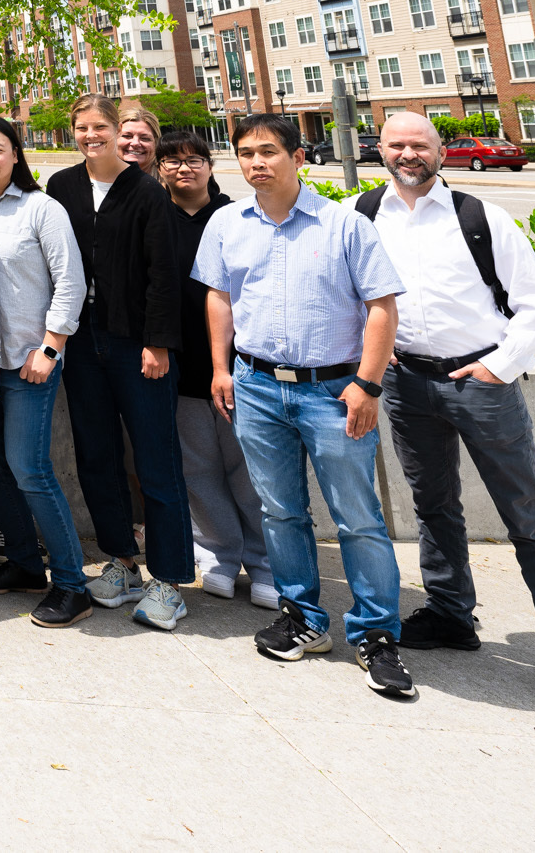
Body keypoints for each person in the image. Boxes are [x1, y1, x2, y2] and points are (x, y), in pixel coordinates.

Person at [364, 112, 535, 720]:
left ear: (440, 151)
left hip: (481, 381)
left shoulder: (480, 217)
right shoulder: (364, 215)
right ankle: (450, 613)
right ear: (381, 150)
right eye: (397, 145)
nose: (408, 154)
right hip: (406, 382)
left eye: (419, 144)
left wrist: (498, 368)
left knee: (527, 517)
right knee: (433, 503)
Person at [196, 113, 415, 700]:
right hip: (258, 387)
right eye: (245, 153)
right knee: (281, 512)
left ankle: (375, 636)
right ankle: (304, 619)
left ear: (299, 157)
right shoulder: (226, 223)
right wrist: (221, 369)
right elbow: (220, 299)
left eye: (269, 151)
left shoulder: (344, 224)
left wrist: (367, 386)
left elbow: (381, 307)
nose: (256, 163)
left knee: (358, 517)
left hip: (333, 392)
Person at [43, 92, 194, 632]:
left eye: (99, 127)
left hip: (138, 347)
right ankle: (121, 561)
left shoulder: (148, 192)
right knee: (96, 456)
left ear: (116, 129)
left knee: (156, 461)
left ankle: (170, 581)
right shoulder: (61, 188)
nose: (91, 136)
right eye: (81, 128)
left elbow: (163, 276)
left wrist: (158, 344)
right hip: (83, 344)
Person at [0, 114, 95, 630]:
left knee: (29, 469)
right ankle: (22, 563)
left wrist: (52, 346)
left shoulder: (41, 209)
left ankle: (71, 584)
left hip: (29, 362)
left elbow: (70, 282)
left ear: (16, 155)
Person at [154, 132, 267, 608]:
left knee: (250, 471)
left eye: (194, 160)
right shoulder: (155, 217)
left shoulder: (236, 217)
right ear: (160, 169)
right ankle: (219, 554)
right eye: (173, 162)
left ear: (210, 164)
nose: (184, 169)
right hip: (180, 364)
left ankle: (265, 562)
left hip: (237, 363)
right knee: (198, 469)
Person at [116, 100, 163, 177]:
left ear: (156, 142)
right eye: (127, 136)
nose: (135, 143)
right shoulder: (96, 180)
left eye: (145, 138)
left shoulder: (170, 183)